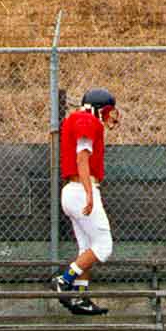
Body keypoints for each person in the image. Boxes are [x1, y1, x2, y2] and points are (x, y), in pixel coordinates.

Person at [50, 87, 116, 317]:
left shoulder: (76, 119)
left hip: (73, 190)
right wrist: (89, 192)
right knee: (104, 247)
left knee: (86, 249)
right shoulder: (87, 121)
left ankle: (80, 296)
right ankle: (64, 279)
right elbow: (82, 157)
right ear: (98, 109)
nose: (108, 117)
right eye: (107, 111)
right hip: (80, 189)